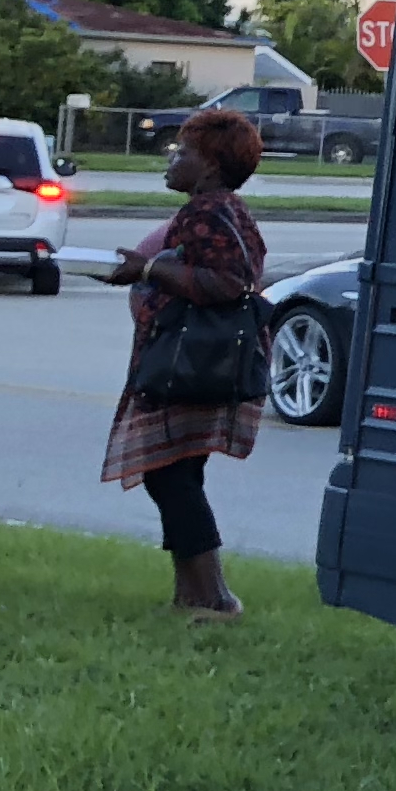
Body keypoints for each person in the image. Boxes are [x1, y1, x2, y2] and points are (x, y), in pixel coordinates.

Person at [103, 106, 268, 618]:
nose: (173, 158)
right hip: (195, 362)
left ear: (213, 168)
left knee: (169, 475)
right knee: (178, 473)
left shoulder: (209, 211)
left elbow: (228, 282)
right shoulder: (221, 207)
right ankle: (190, 593)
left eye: (186, 152)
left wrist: (148, 268)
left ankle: (215, 595)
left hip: (191, 364)